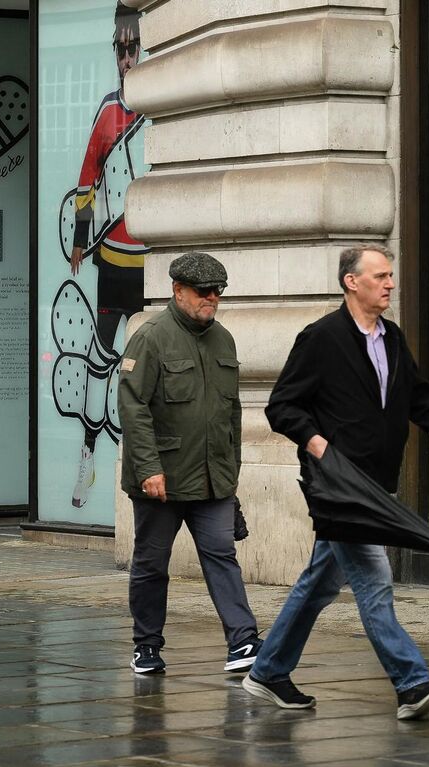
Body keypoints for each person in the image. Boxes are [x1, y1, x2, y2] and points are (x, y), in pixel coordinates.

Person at [244, 244, 429, 721]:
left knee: (319, 585)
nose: (390, 283)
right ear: (352, 282)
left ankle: (268, 671)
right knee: (374, 581)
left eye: (391, 276)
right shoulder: (321, 338)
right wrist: (318, 444)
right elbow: (282, 406)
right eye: (380, 276)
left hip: (377, 484)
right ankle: (411, 682)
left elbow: (418, 397)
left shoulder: (390, 336)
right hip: (341, 489)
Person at [116, 252, 261, 676]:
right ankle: (146, 646)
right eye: (203, 291)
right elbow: (133, 405)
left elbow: (231, 412)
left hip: (213, 479)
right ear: (178, 291)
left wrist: (231, 474)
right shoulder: (150, 337)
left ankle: (243, 641)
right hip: (162, 478)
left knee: (221, 553)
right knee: (151, 564)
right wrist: (148, 469)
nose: (212, 299)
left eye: (218, 292)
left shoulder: (225, 340)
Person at [66, 4, 151, 508]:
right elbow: (86, 179)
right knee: (101, 360)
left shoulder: (159, 110)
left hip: (151, 263)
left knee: (140, 365)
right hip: (112, 261)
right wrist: (80, 239)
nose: (127, 57)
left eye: (133, 47)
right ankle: (87, 458)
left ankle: (136, 460)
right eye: (120, 49)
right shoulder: (107, 111)